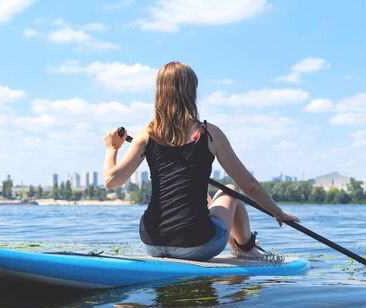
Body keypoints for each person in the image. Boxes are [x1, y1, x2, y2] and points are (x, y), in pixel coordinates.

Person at [103, 61, 299, 262]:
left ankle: (239, 243)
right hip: (196, 246)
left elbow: (111, 181)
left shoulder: (146, 134)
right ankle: (246, 247)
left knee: (206, 198)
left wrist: (112, 149)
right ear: (191, 93)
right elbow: (248, 184)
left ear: (159, 93)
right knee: (230, 190)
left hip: (152, 243)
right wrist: (277, 212)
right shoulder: (210, 134)